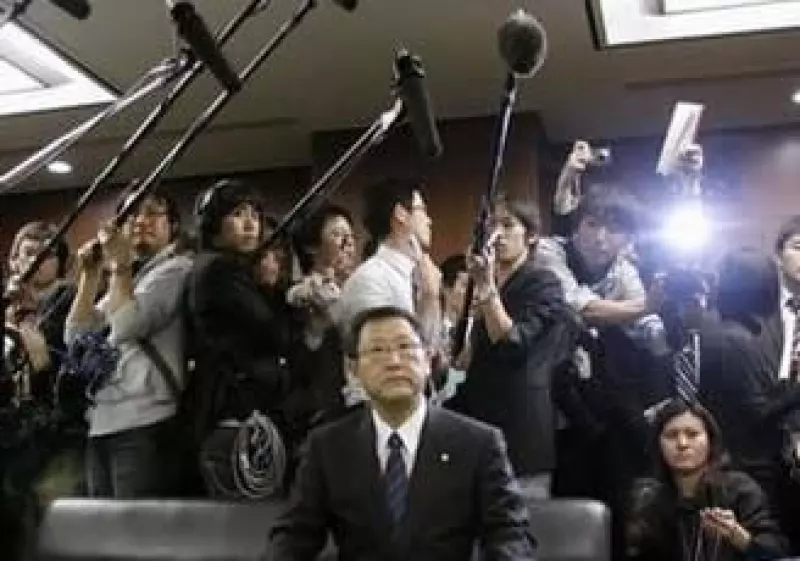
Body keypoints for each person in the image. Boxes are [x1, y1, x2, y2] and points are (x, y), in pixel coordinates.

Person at [271, 306, 536, 561]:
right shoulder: (328, 446)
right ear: (353, 370)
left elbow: (509, 533)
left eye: (405, 347)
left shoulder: (478, 443)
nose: (394, 362)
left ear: (429, 360)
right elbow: (295, 535)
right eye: (377, 350)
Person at [65, 192, 191, 498]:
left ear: (172, 226)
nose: (140, 221)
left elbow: (126, 326)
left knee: (136, 531)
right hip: (102, 419)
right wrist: (90, 276)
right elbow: (76, 338)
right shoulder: (130, 279)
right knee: (103, 532)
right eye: (132, 214)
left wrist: (120, 265)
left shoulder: (176, 269)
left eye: (152, 213)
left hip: (146, 419)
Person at [448, 197, 575, 499]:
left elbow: (513, 344)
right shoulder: (485, 285)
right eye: (492, 226)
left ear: (530, 236)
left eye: (508, 226)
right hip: (479, 424)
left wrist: (487, 291)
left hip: (521, 430)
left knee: (523, 529)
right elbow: (465, 360)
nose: (497, 235)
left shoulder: (543, 282)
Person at [187, 179, 292, 498]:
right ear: (214, 222)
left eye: (255, 216)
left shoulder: (226, 267)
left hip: (239, 412)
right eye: (237, 214)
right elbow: (277, 333)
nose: (251, 224)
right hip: (235, 414)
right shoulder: (219, 269)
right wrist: (271, 287)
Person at [626, 399, 786, 561]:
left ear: (710, 440)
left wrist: (737, 535)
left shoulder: (740, 489)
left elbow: (776, 553)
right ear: (658, 444)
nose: (682, 444)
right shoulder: (650, 502)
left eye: (692, 434)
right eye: (671, 435)